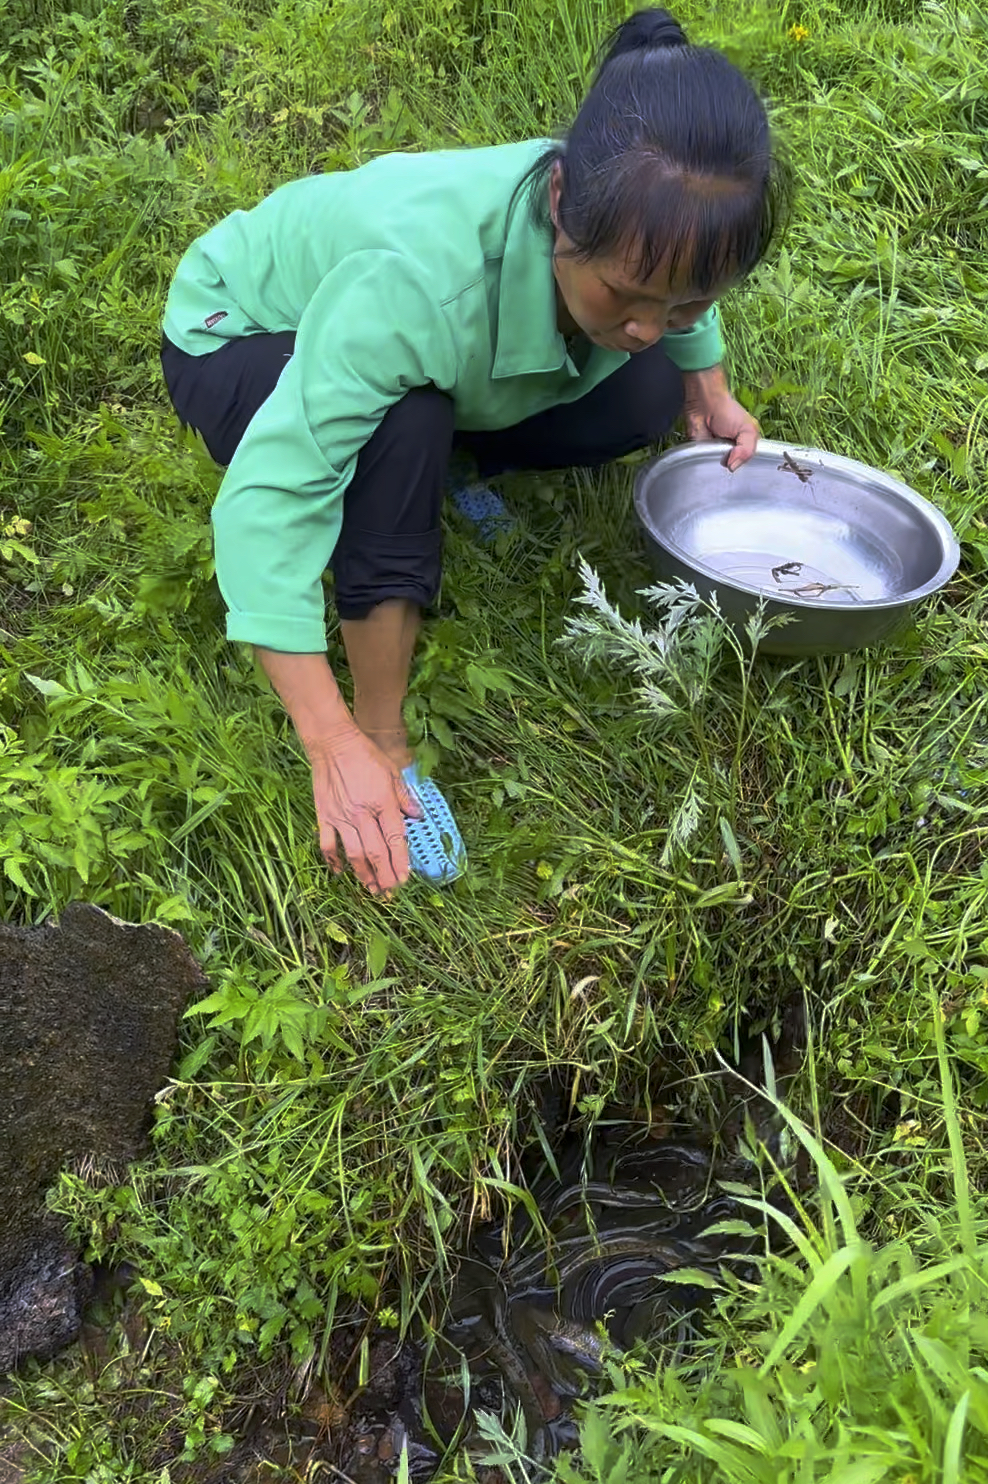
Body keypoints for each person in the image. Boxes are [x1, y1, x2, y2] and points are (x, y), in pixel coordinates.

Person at [160, 7, 788, 897]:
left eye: (685, 304)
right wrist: (332, 740)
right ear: (564, 204)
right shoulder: (418, 284)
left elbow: (675, 284)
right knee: (403, 419)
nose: (651, 325)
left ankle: (429, 465)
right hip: (238, 335)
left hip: (399, 333)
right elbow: (270, 497)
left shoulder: (641, 204)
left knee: (645, 391)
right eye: (627, 295)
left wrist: (708, 387)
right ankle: (385, 734)